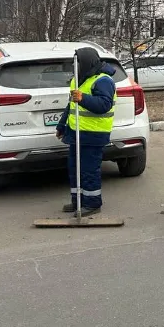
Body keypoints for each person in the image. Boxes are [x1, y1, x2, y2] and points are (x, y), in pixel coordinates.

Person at [55, 47, 117, 216]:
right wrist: (62, 126)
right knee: (74, 168)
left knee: (89, 170)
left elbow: (104, 105)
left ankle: (92, 203)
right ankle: (77, 201)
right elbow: (71, 106)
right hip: (75, 133)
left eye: (79, 62)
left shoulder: (103, 80)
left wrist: (83, 98)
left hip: (93, 134)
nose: (76, 66)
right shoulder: (78, 79)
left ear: (87, 62)